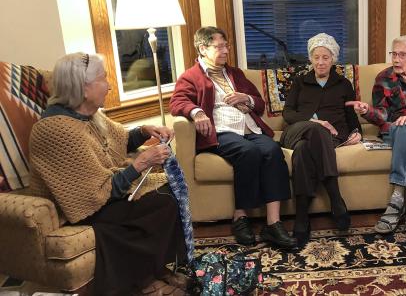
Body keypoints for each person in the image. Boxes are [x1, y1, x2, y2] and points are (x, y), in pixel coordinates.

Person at [28, 53, 188, 295]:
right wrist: (141, 163)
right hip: (77, 208)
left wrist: (145, 130)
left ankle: (155, 270)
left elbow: (119, 140)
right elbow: (93, 194)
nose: (110, 85)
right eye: (103, 79)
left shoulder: (89, 115)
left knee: (169, 192)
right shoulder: (56, 129)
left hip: (101, 195)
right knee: (159, 204)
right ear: (83, 88)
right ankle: (145, 279)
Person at [169, 26, 296, 248]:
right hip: (222, 132)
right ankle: (240, 217)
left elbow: (260, 103)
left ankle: (273, 224)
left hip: (249, 128)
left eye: (226, 45)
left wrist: (245, 97)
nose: (226, 50)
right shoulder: (191, 76)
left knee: (272, 150)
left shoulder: (235, 73)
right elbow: (177, 102)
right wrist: (197, 112)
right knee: (248, 153)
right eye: (219, 46)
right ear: (203, 48)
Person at [346, 35, 406, 236]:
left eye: (403, 54)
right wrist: (367, 111)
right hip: (395, 130)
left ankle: (397, 198)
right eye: (394, 53)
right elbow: (381, 115)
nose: (396, 59)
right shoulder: (383, 78)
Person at [280, 33, 362, 246]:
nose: (320, 62)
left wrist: (357, 131)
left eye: (325, 57)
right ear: (310, 58)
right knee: (317, 131)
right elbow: (288, 113)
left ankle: (301, 216)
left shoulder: (343, 84)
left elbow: (351, 114)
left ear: (333, 59)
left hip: (329, 137)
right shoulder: (300, 82)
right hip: (297, 131)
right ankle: (336, 198)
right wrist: (314, 122)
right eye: (316, 57)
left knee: (303, 152)